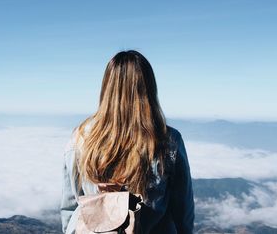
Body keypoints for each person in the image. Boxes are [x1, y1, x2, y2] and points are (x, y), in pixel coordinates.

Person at [60, 50, 195, 234]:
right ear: (149, 88)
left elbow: (70, 207)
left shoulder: (80, 138)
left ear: (106, 88)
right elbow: (182, 211)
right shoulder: (168, 142)